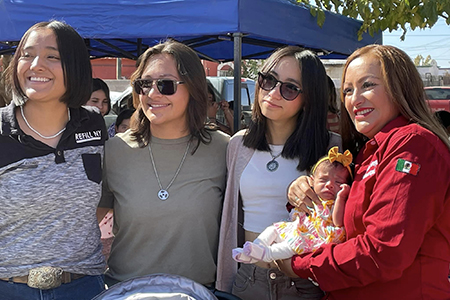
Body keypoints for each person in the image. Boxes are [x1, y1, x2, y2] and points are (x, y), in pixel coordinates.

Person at [282, 45, 450, 299]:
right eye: (348, 90)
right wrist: (306, 190)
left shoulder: (413, 144)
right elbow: (345, 225)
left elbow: (384, 251)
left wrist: (298, 266)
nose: (354, 99)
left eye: (367, 85)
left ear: (399, 86)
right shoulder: (369, 151)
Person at [97, 40, 229, 288]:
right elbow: (85, 223)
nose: (152, 93)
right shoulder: (115, 150)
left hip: (197, 292)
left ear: (193, 88)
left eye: (166, 85)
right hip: (125, 291)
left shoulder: (224, 149)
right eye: (144, 84)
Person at [215, 46, 342, 300]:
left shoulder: (331, 147)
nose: (273, 93)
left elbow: (342, 222)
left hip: (305, 284)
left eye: (290, 88)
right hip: (248, 280)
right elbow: (230, 219)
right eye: (268, 80)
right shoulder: (238, 144)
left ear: (310, 98)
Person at [0, 20, 107, 300]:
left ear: (76, 67)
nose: (36, 64)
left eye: (52, 56)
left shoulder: (93, 125)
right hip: (9, 288)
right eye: (27, 54)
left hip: (85, 287)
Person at [232, 147, 352, 264]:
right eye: (323, 180)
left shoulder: (334, 202)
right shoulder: (308, 193)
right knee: (274, 229)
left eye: (338, 182)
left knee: (290, 246)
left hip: (312, 237)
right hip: (298, 227)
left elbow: (337, 222)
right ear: (311, 180)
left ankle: (267, 254)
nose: (330, 185)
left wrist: (341, 198)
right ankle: (255, 248)